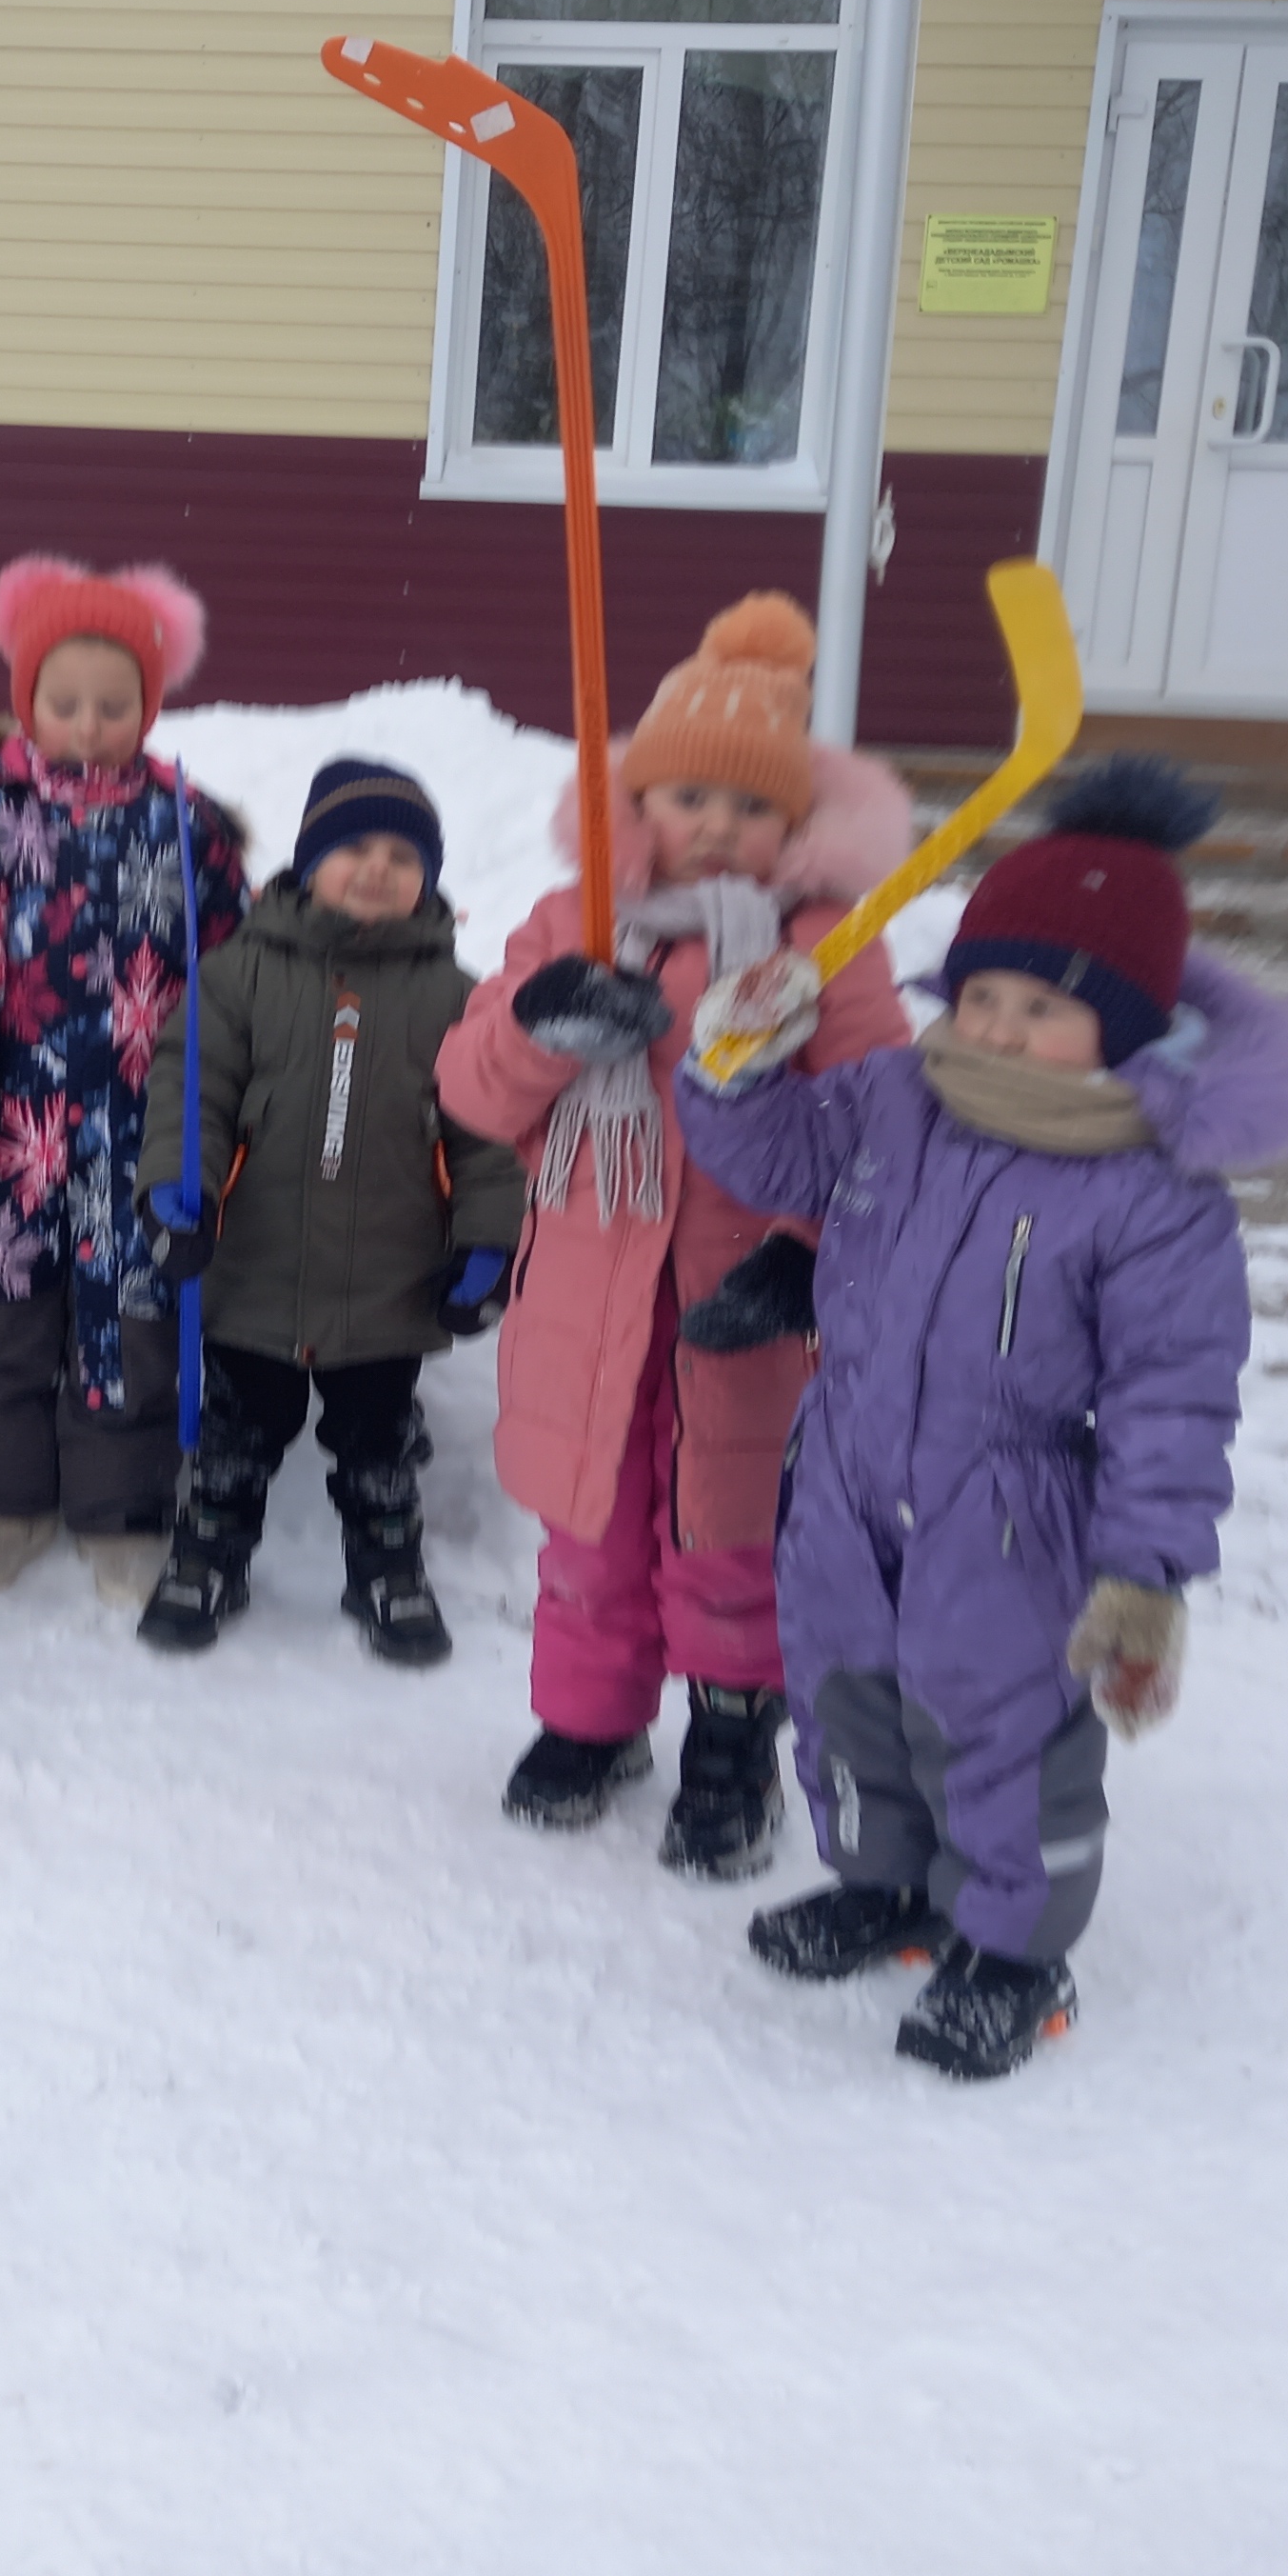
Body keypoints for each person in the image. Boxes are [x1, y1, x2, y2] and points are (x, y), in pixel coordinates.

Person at [674, 758, 1288, 2079]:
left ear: (1128, 1029)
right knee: (849, 1704)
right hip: (849, 1480)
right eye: (981, 996)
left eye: (1043, 1007)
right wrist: (734, 1062)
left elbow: (1173, 1396)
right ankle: (886, 1886)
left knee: (1004, 1735)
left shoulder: (1154, 1195)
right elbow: (774, 1157)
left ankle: (1017, 1952)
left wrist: (1147, 1578)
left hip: (1014, 1515)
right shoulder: (894, 1101)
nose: (1001, 1028)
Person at [432, 591, 915, 1878]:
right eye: (687, 796)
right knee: (589, 1532)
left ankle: (731, 1739)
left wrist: (813, 1257)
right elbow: (472, 1092)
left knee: (730, 1534)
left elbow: (883, 1129)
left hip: (741, 1305)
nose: (714, 826)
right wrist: (542, 1026)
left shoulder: (829, 953)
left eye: (750, 807)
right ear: (636, 806)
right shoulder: (574, 929)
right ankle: (590, 1726)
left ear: (794, 829)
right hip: (589, 1297)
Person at [0, 554, 251, 1608]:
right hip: (8, 1124)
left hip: (145, 1129)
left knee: (132, 1323)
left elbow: (231, 969)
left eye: (113, 704)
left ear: (148, 705)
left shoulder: (188, 829)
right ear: (27, 704)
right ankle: (1, 1506)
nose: (89, 725)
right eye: (65, 704)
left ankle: (120, 1513)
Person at [129, 758, 527, 1662]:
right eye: (354, 847)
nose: (378, 867)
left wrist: (487, 1243)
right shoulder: (237, 976)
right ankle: (211, 1551)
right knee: (236, 1436)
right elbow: (191, 1091)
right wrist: (176, 1192)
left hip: (389, 1282)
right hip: (254, 1271)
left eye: (402, 852)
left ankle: (386, 1565)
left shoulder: (457, 997)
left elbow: (485, 1138)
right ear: (309, 860)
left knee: (379, 1444)